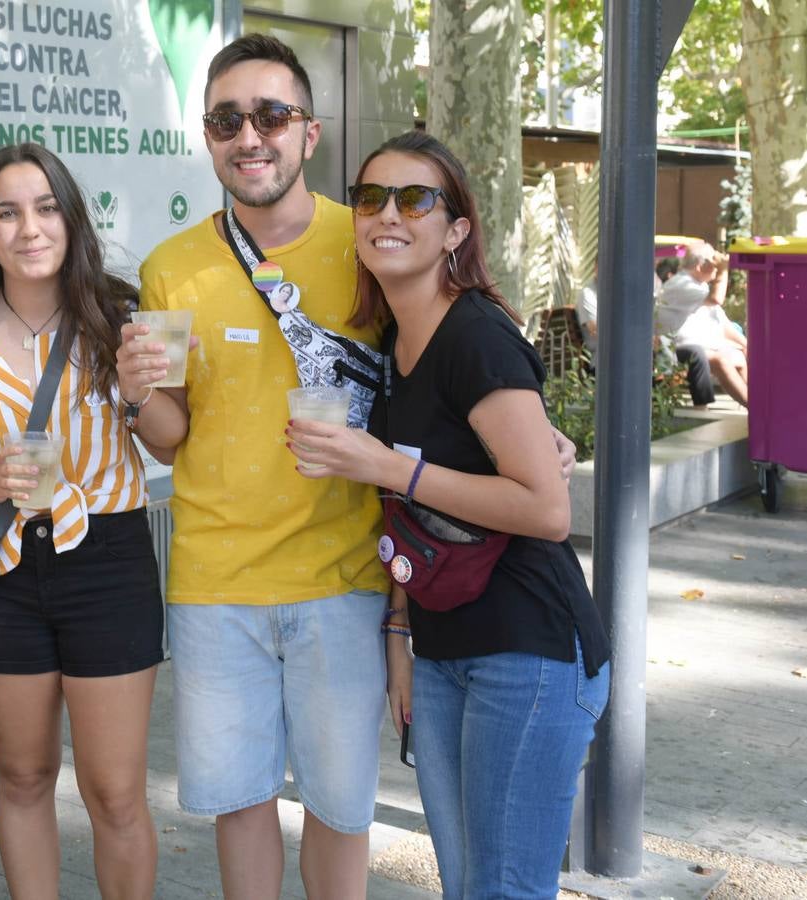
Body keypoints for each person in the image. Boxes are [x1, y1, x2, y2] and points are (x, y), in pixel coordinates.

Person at [122, 36, 578, 900]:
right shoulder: (171, 267)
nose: (248, 136)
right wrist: (133, 393)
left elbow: (453, 355)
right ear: (207, 136)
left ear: (309, 132)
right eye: (226, 119)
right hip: (215, 582)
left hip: (345, 575)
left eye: (270, 115)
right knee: (242, 803)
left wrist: (539, 434)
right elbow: (170, 436)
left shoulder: (369, 239)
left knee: (339, 809)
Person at [287, 130, 611, 900]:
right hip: (440, 649)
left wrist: (389, 466)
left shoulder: (475, 336)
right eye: (370, 198)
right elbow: (417, 515)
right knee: (469, 886)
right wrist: (401, 636)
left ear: (455, 229)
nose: (387, 214)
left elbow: (545, 508)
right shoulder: (397, 342)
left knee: (502, 889)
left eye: (415, 199)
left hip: (527, 652)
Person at [0, 143, 172, 899]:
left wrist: (137, 393)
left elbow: (169, 437)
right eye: (7, 212)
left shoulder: (119, 318)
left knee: (115, 793)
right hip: (2, 573)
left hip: (107, 562)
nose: (28, 228)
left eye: (44, 208)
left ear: (69, 220)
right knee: (24, 775)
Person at [657, 242, 733, 407]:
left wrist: (746, 345)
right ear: (700, 266)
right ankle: (754, 406)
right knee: (713, 358)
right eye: (713, 261)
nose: (715, 266)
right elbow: (716, 299)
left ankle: (758, 407)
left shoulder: (699, 284)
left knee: (739, 357)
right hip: (674, 346)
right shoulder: (681, 284)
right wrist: (723, 270)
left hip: (696, 343)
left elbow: (723, 324)